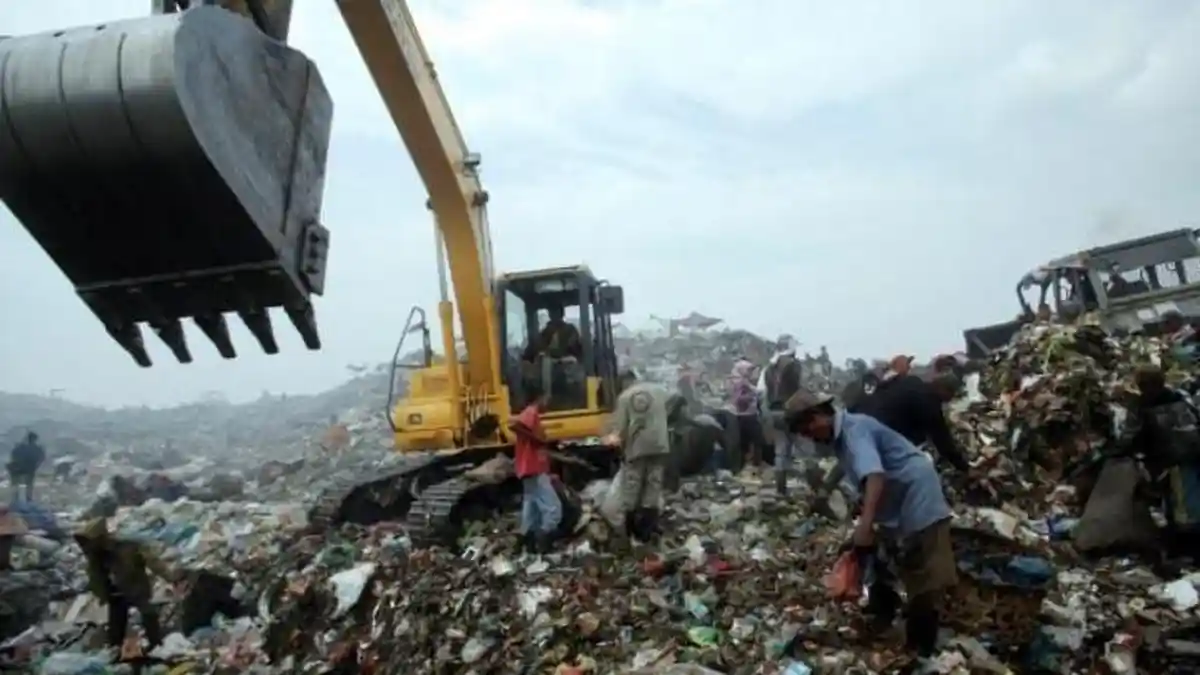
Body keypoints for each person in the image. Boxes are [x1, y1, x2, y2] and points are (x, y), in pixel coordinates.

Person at [787, 389, 956, 659]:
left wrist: (865, 526)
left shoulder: (854, 432)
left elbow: (875, 476)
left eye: (807, 429)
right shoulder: (844, 437)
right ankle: (883, 618)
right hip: (897, 504)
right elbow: (859, 474)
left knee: (924, 576)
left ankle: (920, 650)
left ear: (819, 416)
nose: (809, 436)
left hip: (918, 499)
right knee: (881, 560)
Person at [1121, 365, 1200, 558]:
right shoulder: (1181, 397)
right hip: (1190, 455)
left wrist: (1120, 450)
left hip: (1174, 460)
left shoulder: (1142, 406)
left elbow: (1130, 436)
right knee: (1183, 502)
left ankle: (1188, 551)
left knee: (1184, 509)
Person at [74, 517, 178, 651]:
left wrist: (170, 577)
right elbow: (95, 576)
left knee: (149, 615)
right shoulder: (96, 556)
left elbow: (153, 562)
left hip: (136, 587)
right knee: (116, 624)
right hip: (115, 593)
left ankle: (156, 646)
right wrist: (102, 594)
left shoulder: (128, 546)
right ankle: (115, 650)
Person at [851, 372, 971, 473]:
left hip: (862, 415)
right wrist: (964, 468)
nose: (951, 398)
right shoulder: (929, 403)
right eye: (952, 393)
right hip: (877, 433)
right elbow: (942, 441)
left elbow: (883, 386)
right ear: (942, 388)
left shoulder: (912, 381)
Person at [605, 371, 671, 541]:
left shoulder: (624, 397)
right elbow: (674, 405)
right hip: (660, 446)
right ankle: (648, 531)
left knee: (632, 490)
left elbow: (620, 429)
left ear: (624, 382)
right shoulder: (659, 391)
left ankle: (632, 533)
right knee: (653, 487)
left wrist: (612, 442)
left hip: (637, 450)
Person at [510, 382, 561, 553]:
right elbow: (516, 426)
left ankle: (526, 544)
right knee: (553, 509)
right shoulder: (531, 412)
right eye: (547, 399)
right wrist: (537, 440)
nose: (549, 403)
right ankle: (545, 544)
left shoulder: (531, 414)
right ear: (540, 397)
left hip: (529, 469)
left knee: (531, 509)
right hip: (534, 469)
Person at [757, 336, 803, 494]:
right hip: (790, 411)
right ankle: (815, 488)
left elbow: (761, 393)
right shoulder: (794, 365)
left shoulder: (769, 368)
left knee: (781, 450)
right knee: (803, 449)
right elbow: (797, 391)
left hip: (773, 412)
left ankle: (780, 489)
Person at [7, 431, 45, 502]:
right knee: (28, 486)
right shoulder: (36, 448)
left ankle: (16, 500)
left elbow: (13, 455)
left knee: (16, 486)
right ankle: (27, 499)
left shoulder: (20, 446)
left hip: (18, 469)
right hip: (27, 469)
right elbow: (41, 458)